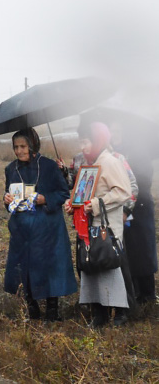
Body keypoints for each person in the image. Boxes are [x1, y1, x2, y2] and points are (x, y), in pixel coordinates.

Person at [3, 128, 77, 321]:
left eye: (23, 146)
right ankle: (31, 306)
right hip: (22, 228)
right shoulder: (11, 169)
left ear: (33, 146)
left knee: (50, 266)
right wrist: (7, 199)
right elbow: (8, 198)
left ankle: (52, 308)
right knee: (24, 267)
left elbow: (63, 193)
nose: (19, 151)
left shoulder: (49, 166)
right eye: (16, 147)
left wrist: (45, 199)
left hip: (47, 227)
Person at [65, 121, 132, 327]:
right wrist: (73, 204)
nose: (83, 147)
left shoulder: (110, 161)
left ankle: (120, 312)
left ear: (97, 140)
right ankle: (99, 312)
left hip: (106, 227)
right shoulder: (90, 163)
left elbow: (122, 192)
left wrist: (94, 204)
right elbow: (84, 192)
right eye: (81, 142)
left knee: (108, 265)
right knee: (91, 266)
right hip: (89, 225)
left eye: (86, 141)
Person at [107, 120, 157, 305]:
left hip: (140, 205)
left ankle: (148, 293)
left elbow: (144, 179)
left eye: (118, 130)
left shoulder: (137, 151)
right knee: (127, 249)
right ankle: (133, 290)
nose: (115, 134)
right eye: (112, 131)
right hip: (120, 208)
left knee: (143, 249)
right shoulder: (110, 154)